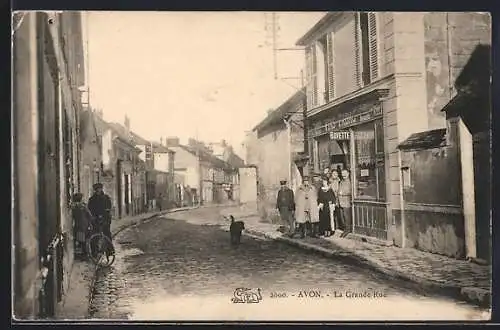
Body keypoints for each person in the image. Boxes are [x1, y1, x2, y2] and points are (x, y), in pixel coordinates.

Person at [88, 183, 115, 255]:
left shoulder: (106, 198)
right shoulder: (92, 199)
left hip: (105, 219)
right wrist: (93, 217)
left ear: (101, 189)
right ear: (95, 190)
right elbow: (90, 210)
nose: (98, 191)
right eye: (97, 189)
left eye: (99, 189)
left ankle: (109, 250)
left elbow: (109, 208)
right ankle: (95, 252)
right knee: (95, 235)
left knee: (107, 234)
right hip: (96, 220)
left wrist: (107, 215)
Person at [71, 193, 93, 258]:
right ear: (80, 199)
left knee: (81, 240)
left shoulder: (73, 207)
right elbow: (90, 215)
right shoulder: (83, 206)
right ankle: (86, 254)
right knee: (86, 241)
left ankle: (83, 254)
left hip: (78, 226)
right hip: (85, 226)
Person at [338, 169, 353, 234]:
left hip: (347, 202)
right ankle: (345, 228)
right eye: (342, 173)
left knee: (346, 216)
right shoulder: (341, 181)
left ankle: (348, 229)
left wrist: (342, 193)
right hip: (341, 202)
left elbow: (351, 191)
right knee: (342, 217)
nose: (343, 175)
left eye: (345, 173)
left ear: (348, 174)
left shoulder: (350, 182)